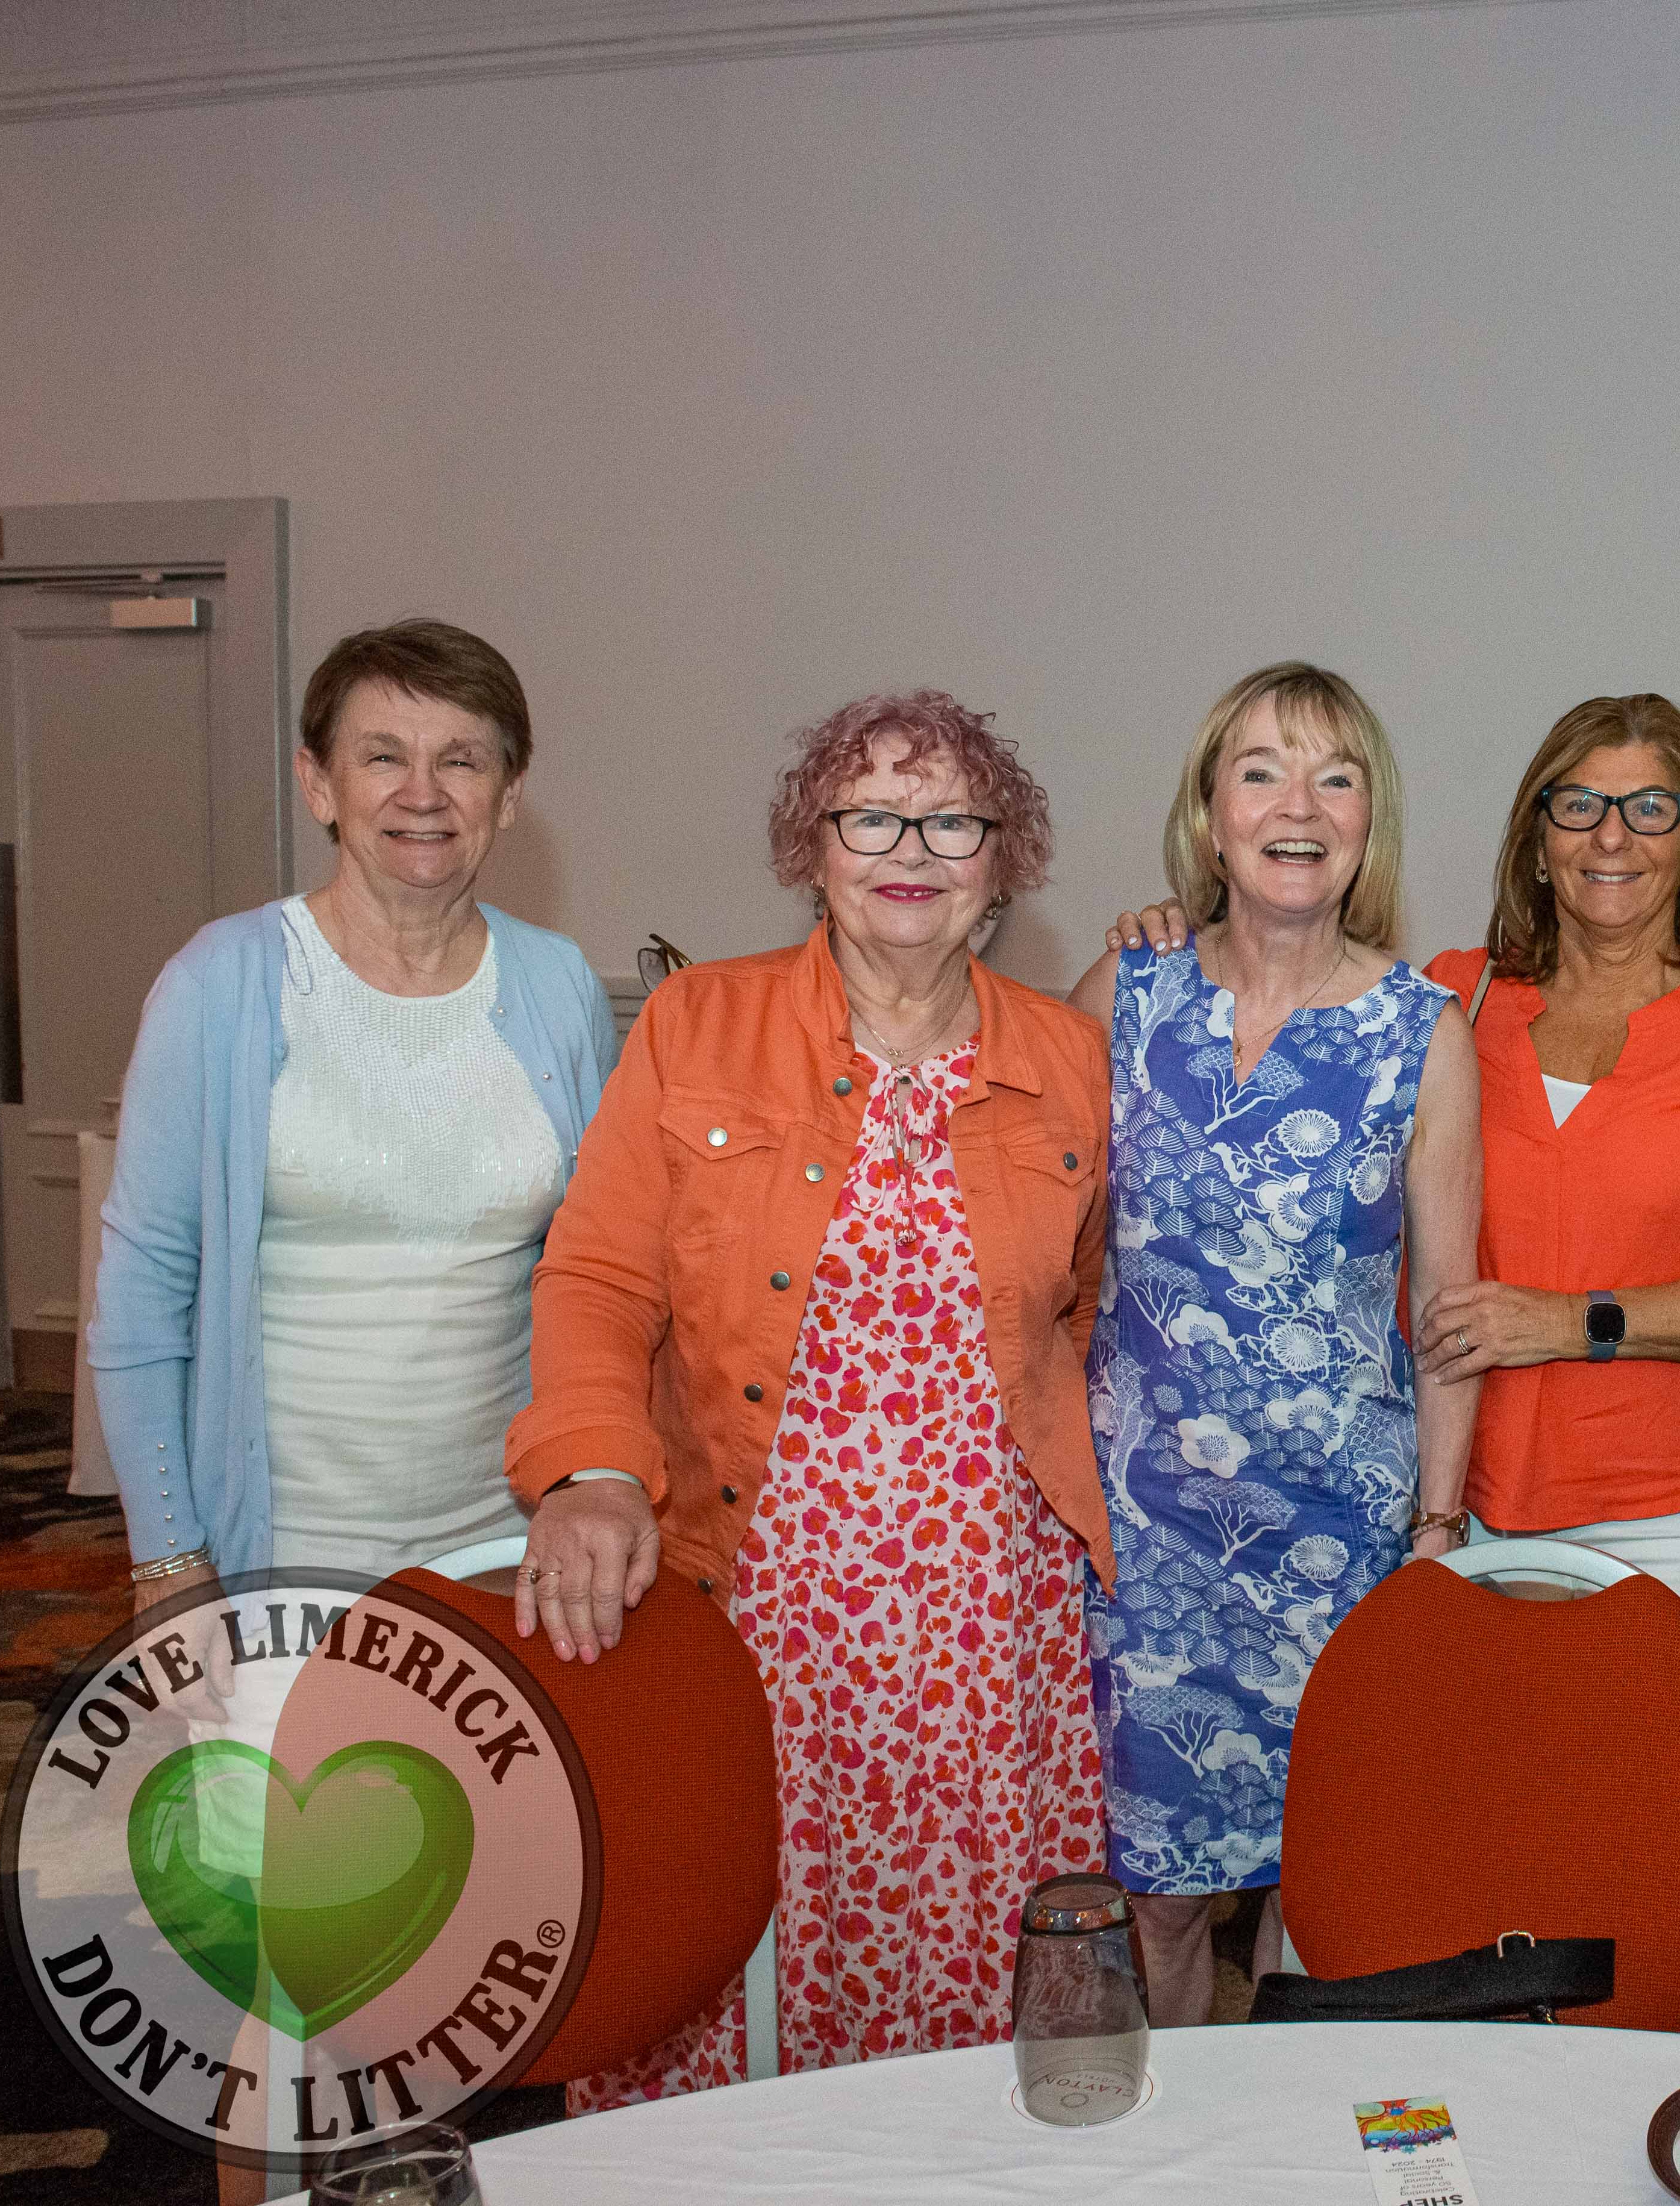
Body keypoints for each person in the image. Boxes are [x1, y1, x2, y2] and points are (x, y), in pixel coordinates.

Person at [507, 689, 1114, 2099]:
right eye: (872, 816)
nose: (911, 850)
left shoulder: (1065, 1057)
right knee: (732, 1951)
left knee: (962, 1971)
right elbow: (596, 1275)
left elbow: (1075, 1308)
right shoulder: (697, 1024)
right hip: (760, 1599)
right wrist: (593, 1469)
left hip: (985, 1621)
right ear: (814, 845)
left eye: (951, 820)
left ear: (1003, 860)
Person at [1067, 662, 1479, 2028]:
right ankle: (1181, 2122)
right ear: (1209, 813)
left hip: (1336, 1539)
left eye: (1335, 777)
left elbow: (1449, 1308)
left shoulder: (1423, 1034)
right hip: (1146, 1537)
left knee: (1329, 1881)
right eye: (1261, 771)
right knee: (1158, 1892)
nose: (1298, 805)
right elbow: (1038, 1253)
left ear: (1369, 821)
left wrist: (1436, 1529)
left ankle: (1293, 2126)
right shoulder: (1121, 996)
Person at [92, 618, 615, 1607]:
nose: (423, 793)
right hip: (275, 1559)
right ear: (319, 784)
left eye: (461, 759)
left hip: (505, 1552)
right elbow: (142, 1295)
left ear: (509, 794)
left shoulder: (559, 985)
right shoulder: (219, 983)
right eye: (382, 757)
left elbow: (600, 1273)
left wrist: (591, 1477)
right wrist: (166, 1557)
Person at [1414, 693, 1680, 1653]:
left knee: (1643, 1755)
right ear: (1537, 844)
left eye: (1650, 808)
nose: (1611, 836)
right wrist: (1176, 936)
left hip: (1671, 1516)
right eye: (1579, 805)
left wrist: (1567, 1322)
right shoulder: (1451, 996)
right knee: (1475, 1751)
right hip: (1457, 1498)